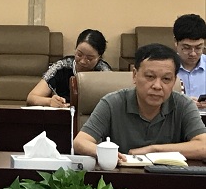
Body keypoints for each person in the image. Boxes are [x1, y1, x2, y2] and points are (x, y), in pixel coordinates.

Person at [74, 43, 206, 160]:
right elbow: (80, 142)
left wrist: (153, 150)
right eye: (150, 76)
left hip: (168, 177)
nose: (157, 86)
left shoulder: (183, 105)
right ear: (135, 75)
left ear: (174, 80)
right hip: (121, 175)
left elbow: (203, 146)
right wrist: (109, 155)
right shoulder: (112, 103)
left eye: (166, 79)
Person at [26, 29, 111, 108]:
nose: (83, 61)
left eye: (89, 58)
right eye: (79, 55)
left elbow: (113, 103)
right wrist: (50, 101)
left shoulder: (104, 72)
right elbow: (31, 97)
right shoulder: (61, 67)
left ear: (99, 57)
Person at [173, 14, 206, 107]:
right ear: (176, 42)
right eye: (187, 48)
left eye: (198, 47)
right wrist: (183, 103)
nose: (193, 53)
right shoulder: (165, 67)